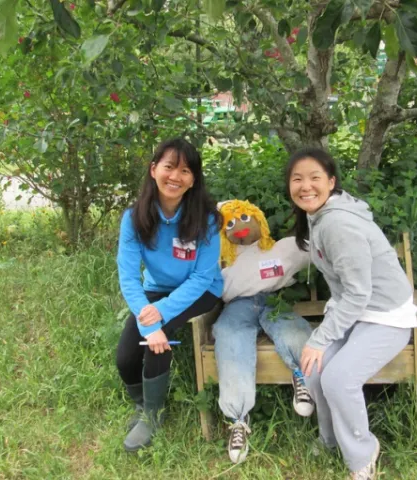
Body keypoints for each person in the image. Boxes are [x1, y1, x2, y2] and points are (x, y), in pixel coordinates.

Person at [285, 148, 417, 480]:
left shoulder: (338, 224)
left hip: (385, 315)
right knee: (314, 369)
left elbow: (360, 292)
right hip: (355, 310)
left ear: (331, 182)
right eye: (297, 179)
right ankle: (330, 439)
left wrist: (320, 338)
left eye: (315, 178)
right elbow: (351, 293)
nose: (305, 186)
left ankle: (362, 455)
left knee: (339, 378)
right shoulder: (321, 215)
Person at [116, 138, 223, 452]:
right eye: (169, 167)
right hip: (155, 289)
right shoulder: (133, 218)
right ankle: (141, 404)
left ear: (193, 180)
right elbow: (128, 277)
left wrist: (159, 316)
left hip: (202, 291)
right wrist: (148, 319)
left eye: (185, 171)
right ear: (154, 170)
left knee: (157, 342)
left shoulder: (207, 219)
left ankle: (153, 414)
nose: (175, 176)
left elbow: (203, 277)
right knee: (125, 357)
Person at [212, 200, 314, 464]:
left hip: (273, 299)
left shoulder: (279, 249)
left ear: (258, 219)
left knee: (292, 328)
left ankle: (303, 378)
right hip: (238, 305)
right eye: (231, 223)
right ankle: (238, 418)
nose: (240, 227)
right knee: (229, 336)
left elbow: (314, 247)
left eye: (245, 218)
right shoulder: (222, 257)